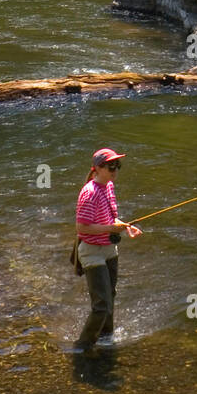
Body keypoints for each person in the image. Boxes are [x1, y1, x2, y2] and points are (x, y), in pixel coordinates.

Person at [73, 147, 142, 351]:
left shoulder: (109, 186)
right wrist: (111, 228)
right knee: (101, 304)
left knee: (110, 295)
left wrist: (125, 226)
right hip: (92, 250)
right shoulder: (89, 193)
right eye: (111, 166)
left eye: (117, 165)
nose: (115, 170)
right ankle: (82, 347)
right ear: (98, 168)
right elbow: (81, 227)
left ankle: (105, 338)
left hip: (109, 248)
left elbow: (111, 218)